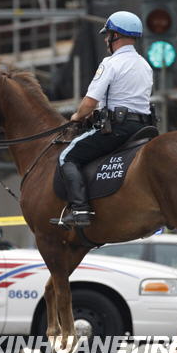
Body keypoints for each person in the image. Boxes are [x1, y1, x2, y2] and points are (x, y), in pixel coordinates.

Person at [56, 11, 154, 227]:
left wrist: (76, 116)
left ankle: (80, 209)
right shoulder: (145, 65)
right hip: (143, 128)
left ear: (115, 36)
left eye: (107, 34)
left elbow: (90, 103)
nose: (104, 39)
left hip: (118, 129)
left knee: (67, 157)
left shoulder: (110, 63)